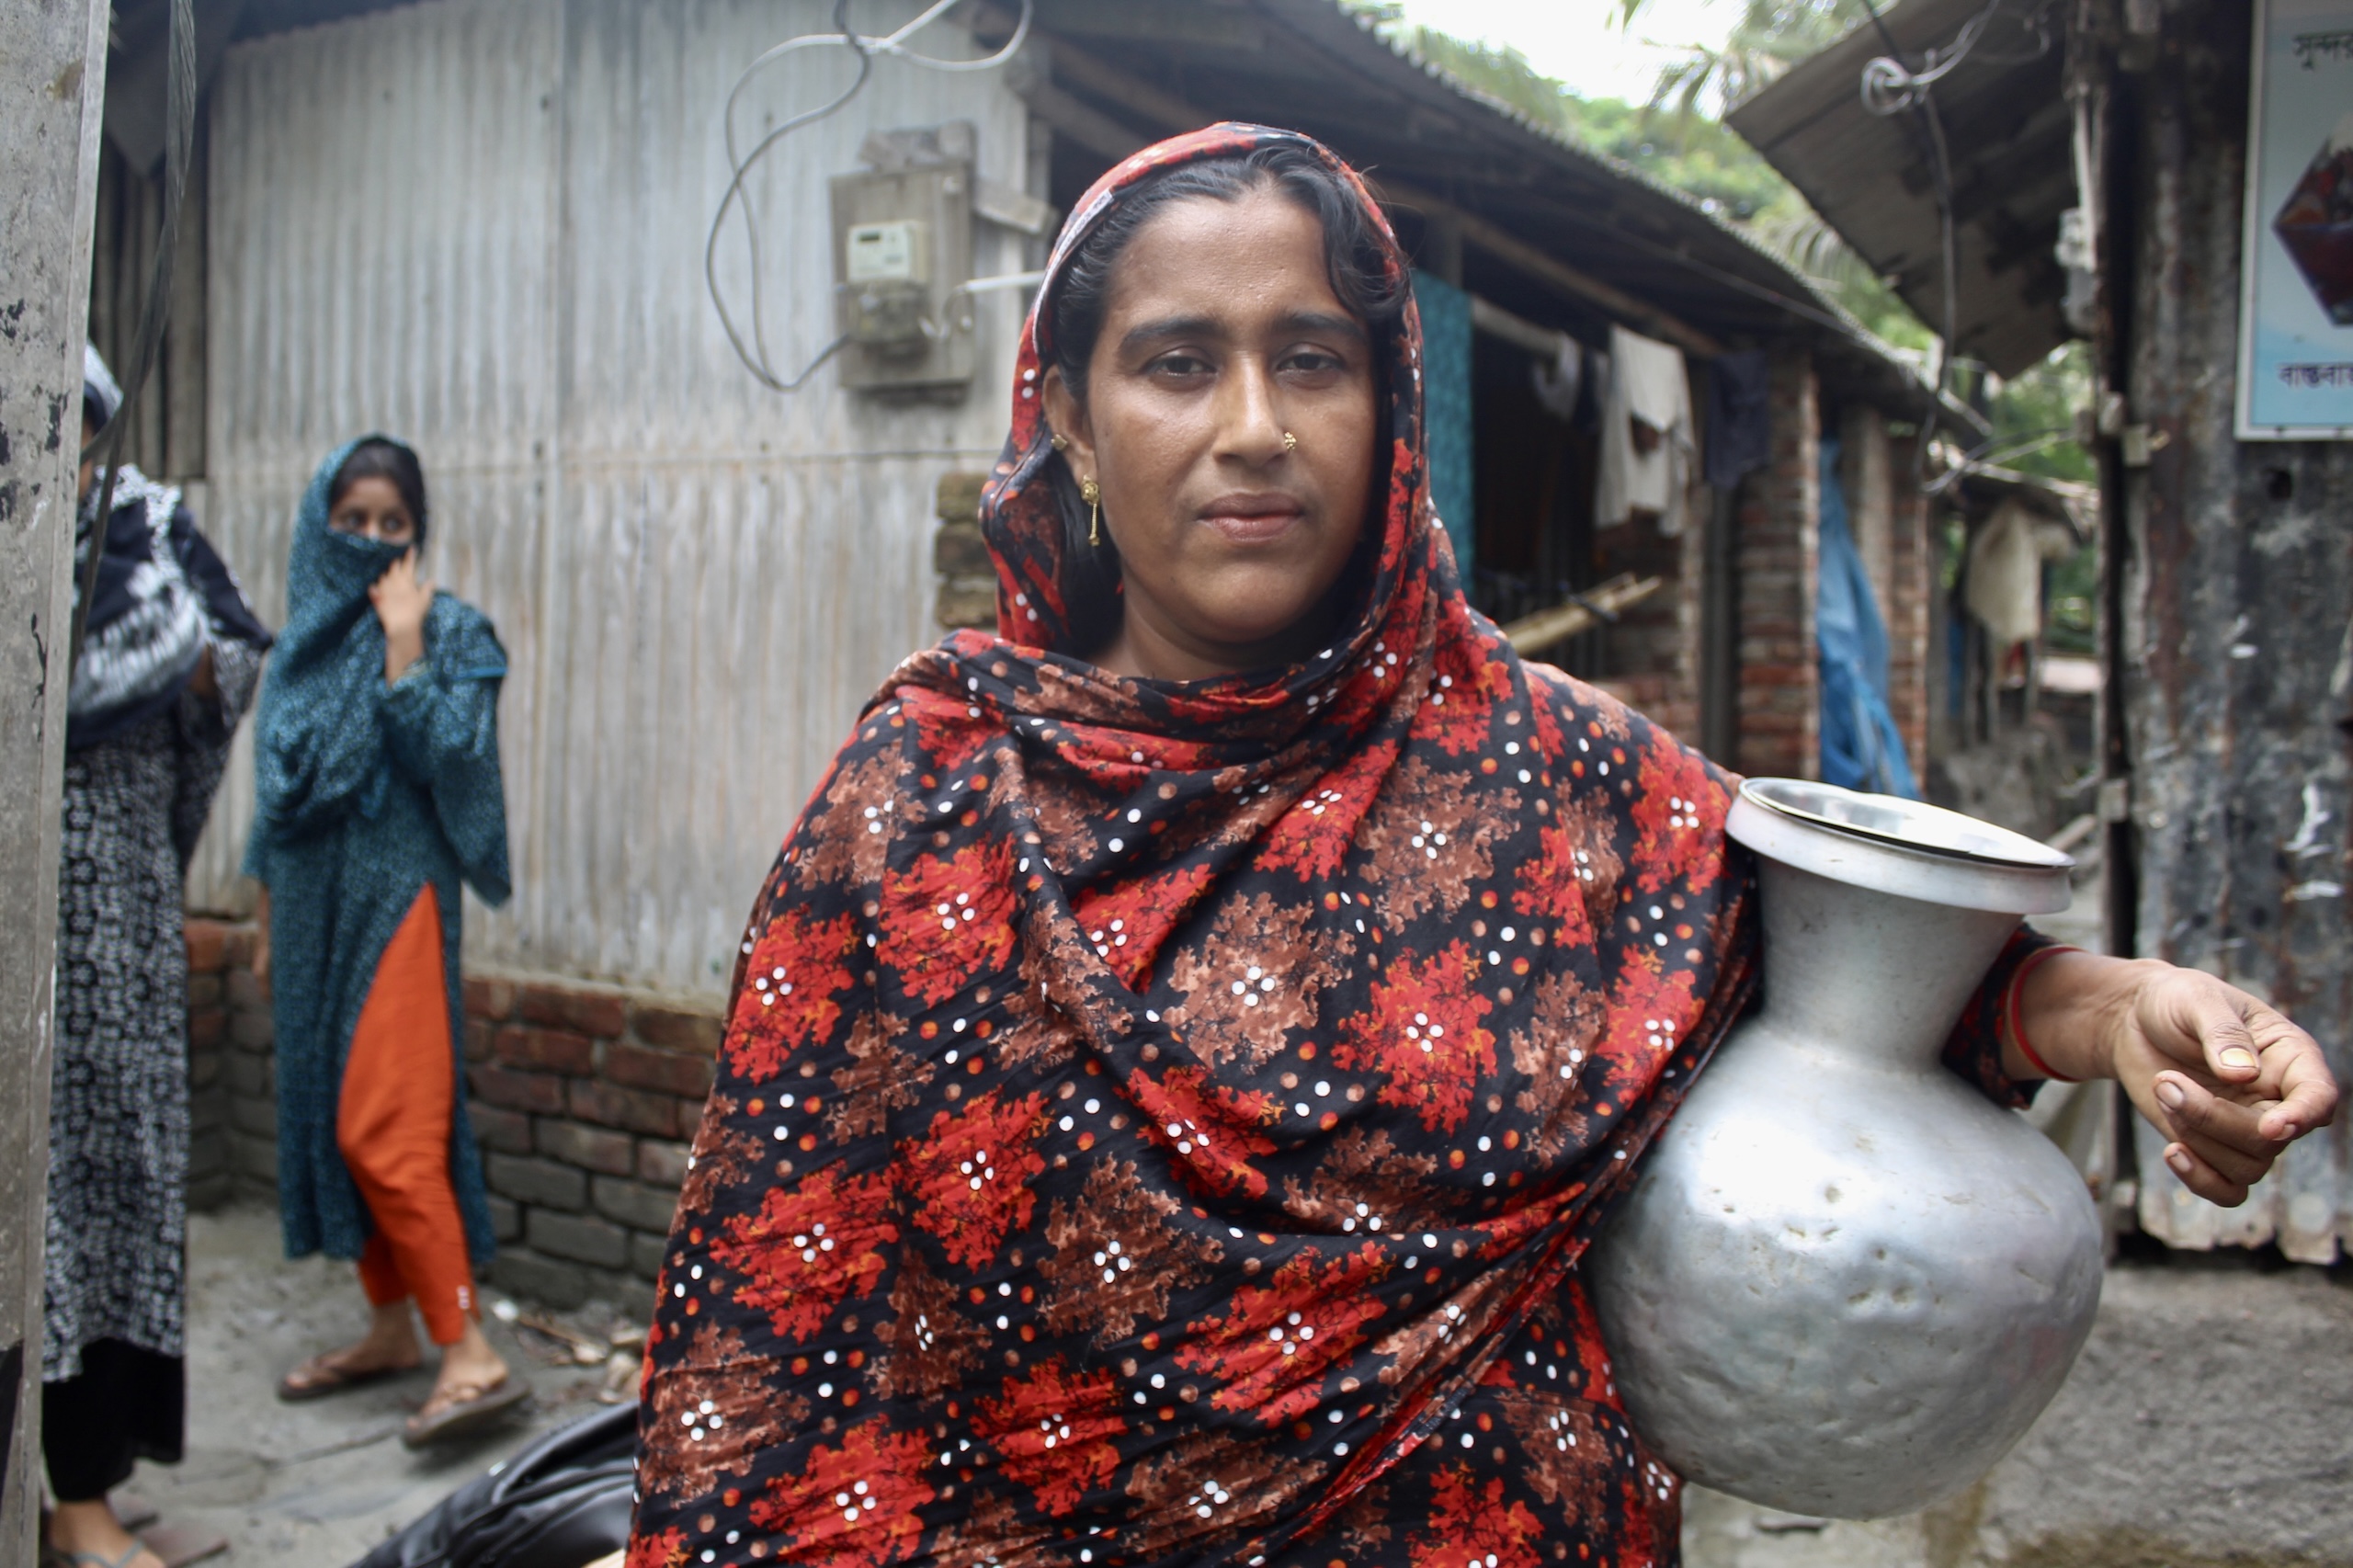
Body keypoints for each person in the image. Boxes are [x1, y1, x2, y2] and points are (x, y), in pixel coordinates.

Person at [626, 127, 2337, 1565]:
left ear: (1390, 401)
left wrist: (2118, 1015)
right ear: (1069, 419)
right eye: (1173, 362)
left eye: (1311, 358)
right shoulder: (930, 804)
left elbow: (1850, 985)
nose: (1251, 425)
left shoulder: (1556, 774)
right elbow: (777, 1339)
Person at [245, 437, 525, 1448]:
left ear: (418, 535)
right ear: (319, 524)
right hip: (313, 913)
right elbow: (272, 806)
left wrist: (405, 652)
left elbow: (458, 761)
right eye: (351, 520)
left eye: (391, 524)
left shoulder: (449, 629)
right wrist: (266, 920)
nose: (370, 540)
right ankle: (390, 1330)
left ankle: (470, 1350)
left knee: (388, 1127)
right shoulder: (301, 649)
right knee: (333, 1120)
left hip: (397, 899)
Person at [45, 347, 273, 1568]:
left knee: (120, 1182)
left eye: (80, 430)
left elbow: (228, 651)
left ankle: (91, 1474)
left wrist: (171, 657)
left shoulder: (148, 524)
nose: (68, 457)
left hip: (120, 927)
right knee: (36, 1207)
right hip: (23, 931)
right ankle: (64, 1497)